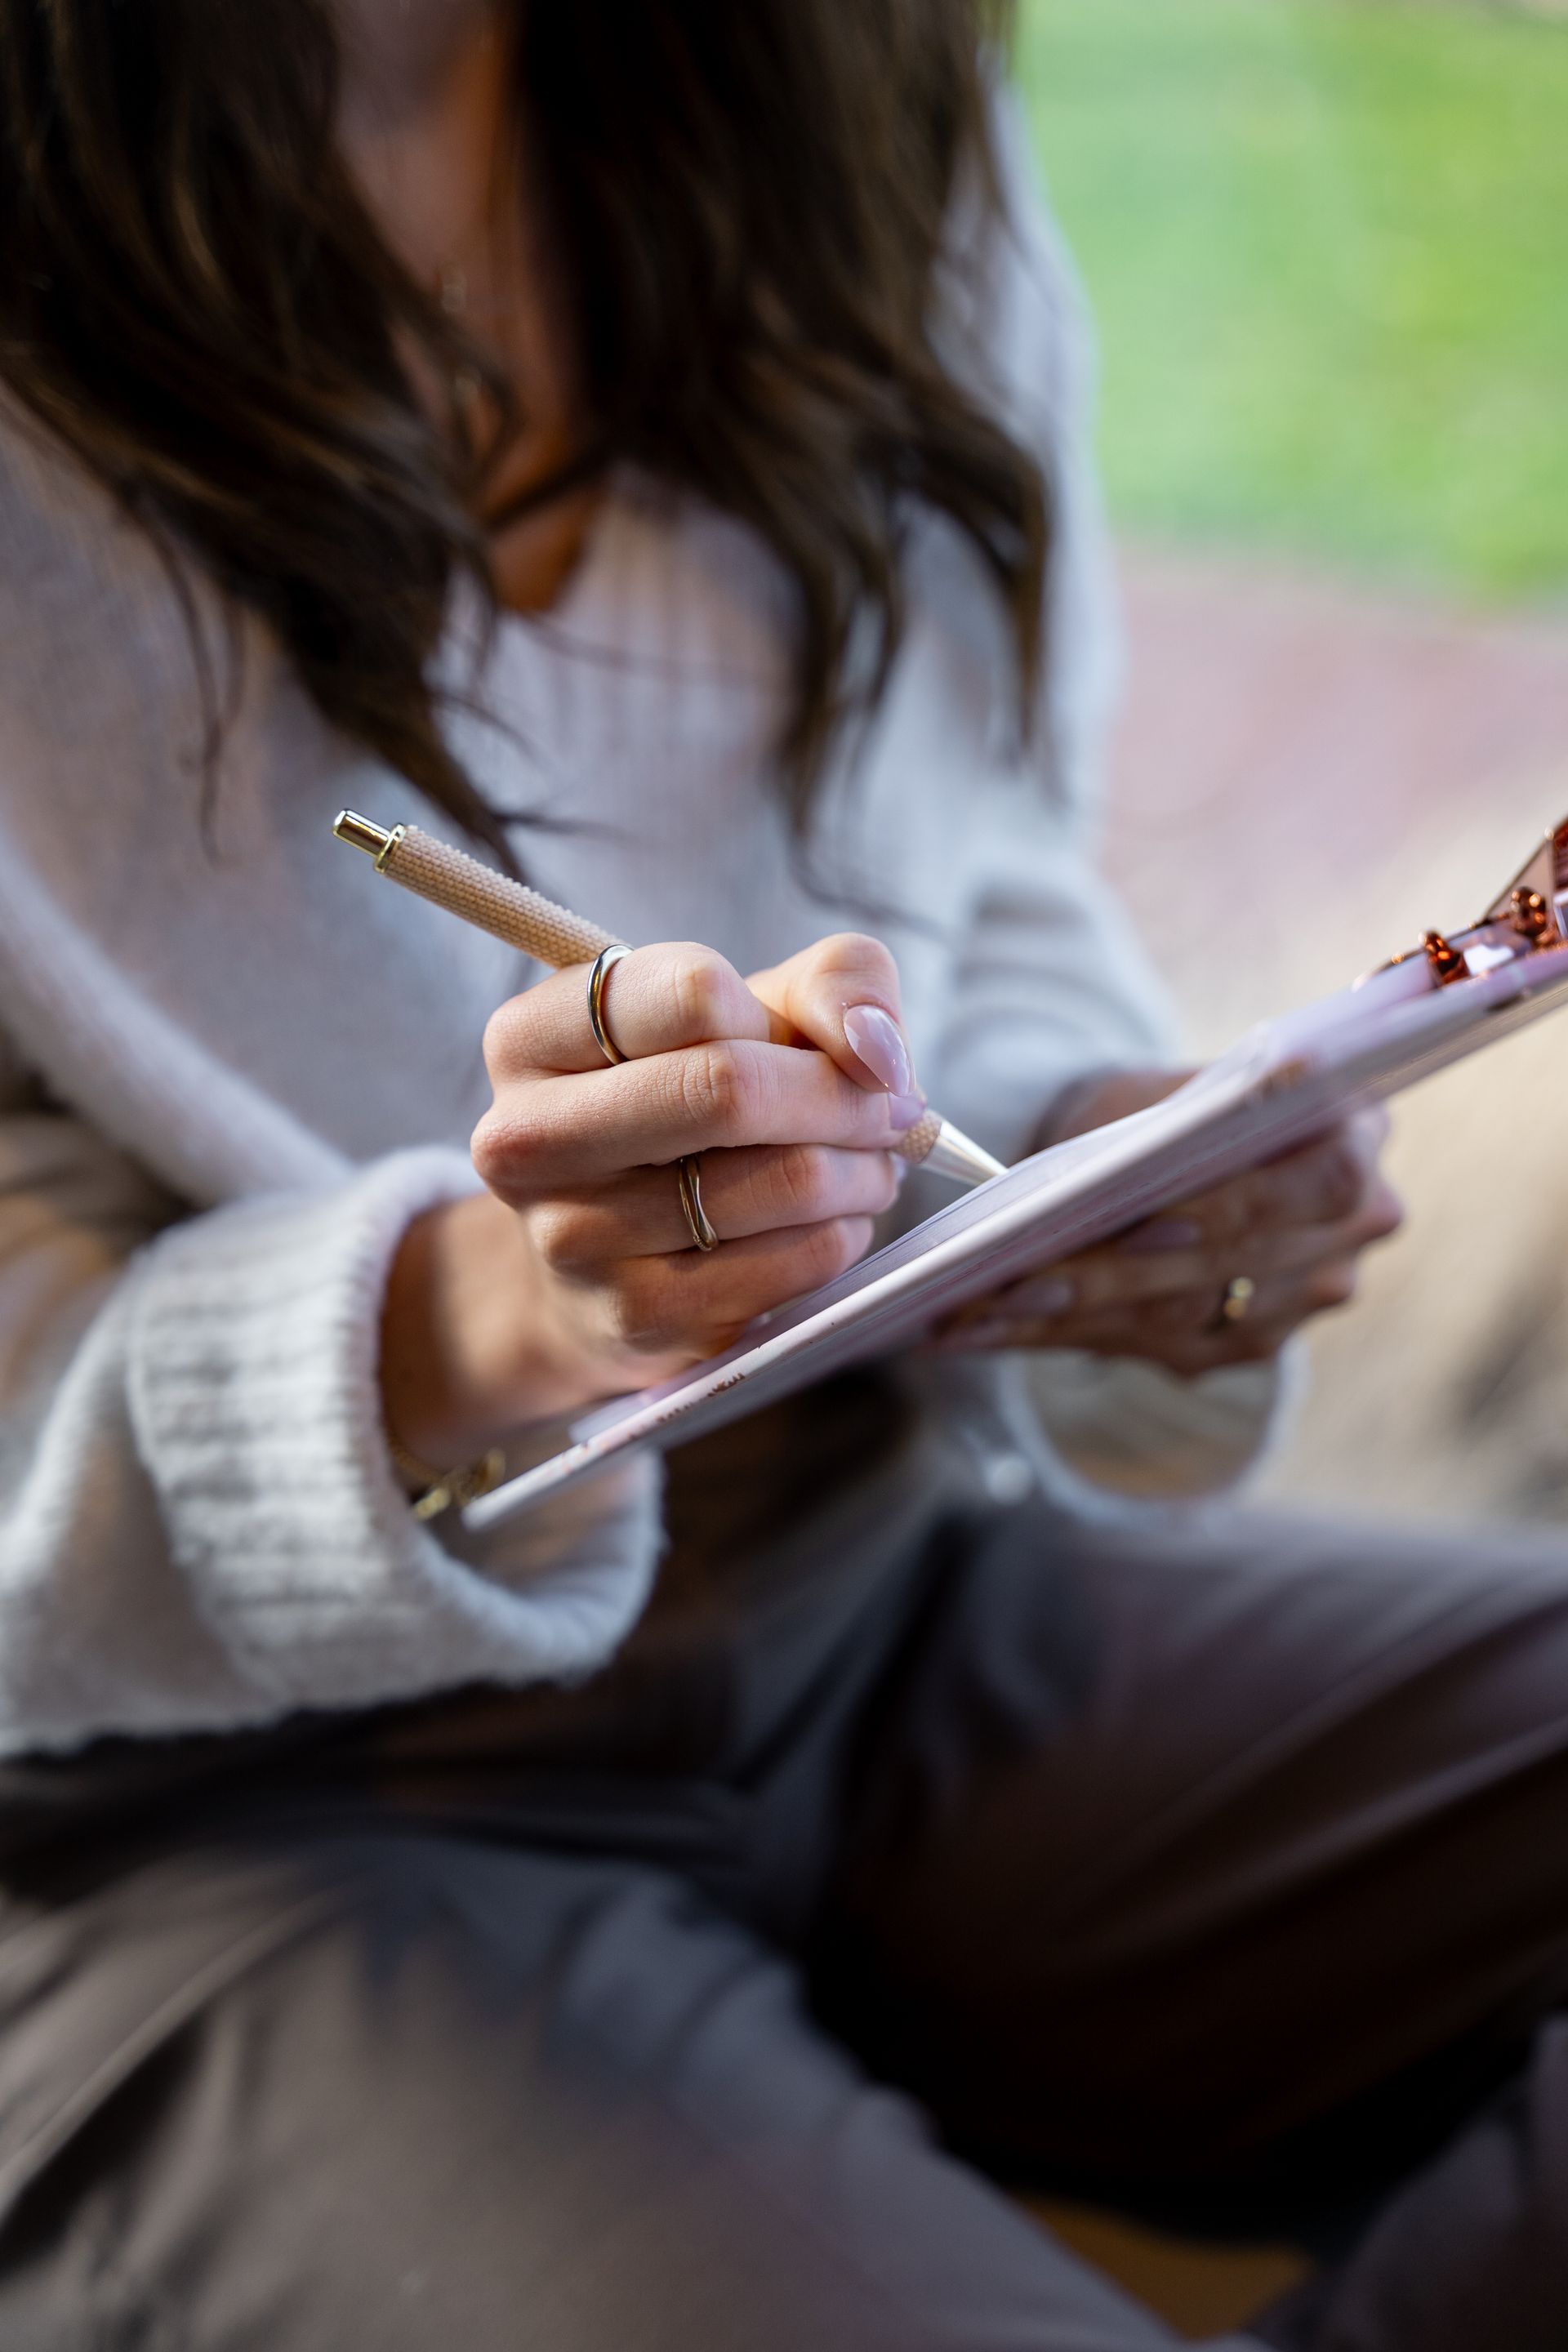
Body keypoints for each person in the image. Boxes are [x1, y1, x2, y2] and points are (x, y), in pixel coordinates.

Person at [0, 4, 1563, 2345]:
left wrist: (1063, 1161)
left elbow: (981, 860)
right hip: (171, 1826)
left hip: (868, 1590)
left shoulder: (850, 72)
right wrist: (493, 1330)